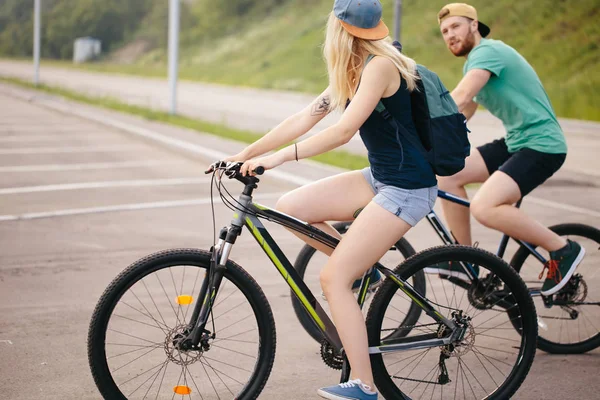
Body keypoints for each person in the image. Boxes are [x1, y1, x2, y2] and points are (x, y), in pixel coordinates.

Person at [224, 1, 436, 398]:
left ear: (339, 29)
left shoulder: (381, 67)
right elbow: (305, 117)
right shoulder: (354, 67)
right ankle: (364, 268)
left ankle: (365, 384)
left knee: (333, 279)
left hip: (407, 188)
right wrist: (245, 154)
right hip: (380, 179)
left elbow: (343, 132)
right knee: (290, 208)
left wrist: (278, 158)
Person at [427, 3, 585, 296]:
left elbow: (460, 97)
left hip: (542, 144)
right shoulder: (475, 62)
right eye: (445, 31)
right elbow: (465, 112)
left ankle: (563, 250)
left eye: (456, 27)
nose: (450, 35)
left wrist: (420, 126)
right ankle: (464, 259)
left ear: (474, 25)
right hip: (517, 141)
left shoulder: (488, 52)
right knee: (449, 175)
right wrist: (432, 148)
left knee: (484, 207)